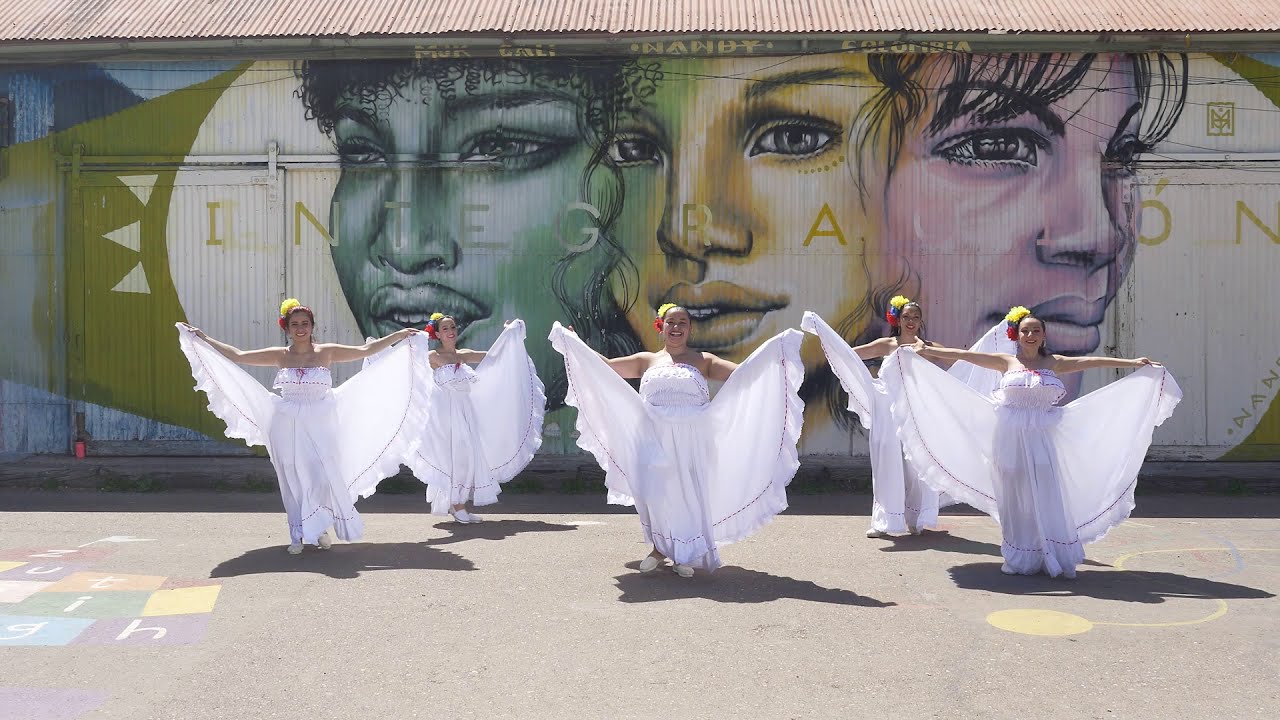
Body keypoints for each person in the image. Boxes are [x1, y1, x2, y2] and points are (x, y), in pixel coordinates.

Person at [882, 306, 1182, 578]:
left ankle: (1049, 552)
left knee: (1046, 492)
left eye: (1036, 330)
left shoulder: (1055, 362)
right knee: (1014, 496)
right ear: (1016, 334)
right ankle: (1019, 555)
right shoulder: (1005, 361)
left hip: (1042, 441)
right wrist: (919, 351)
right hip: (1009, 439)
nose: (1030, 335)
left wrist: (1131, 362)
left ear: (1043, 335)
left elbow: (1091, 362)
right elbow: (962, 355)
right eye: (1025, 330)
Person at [549, 303, 804, 577]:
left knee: (687, 496)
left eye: (682, 322)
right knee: (656, 494)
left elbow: (744, 373)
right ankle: (660, 549)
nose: (677, 327)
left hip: (692, 440)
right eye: (671, 322)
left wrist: (774, 353)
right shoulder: (647, 360)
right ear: (661, 327)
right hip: (652, 438)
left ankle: (685, 553)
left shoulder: (703, 360)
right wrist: (575, 344)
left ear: (689, 328)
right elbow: (609, 368)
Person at [177, 298, 428, 554]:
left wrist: (398, 335)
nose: (300, 328)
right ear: (286, 327)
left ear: (312, 326)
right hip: (286, 424)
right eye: (294, 324)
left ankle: (318, 528)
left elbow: (365, 352)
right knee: (293, 477)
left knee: (320, 476)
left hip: (321, 423)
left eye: (305, 323)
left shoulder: (326, 352)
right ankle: (296, 534)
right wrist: (203, 338)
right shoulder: (279, 356)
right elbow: (238, 356)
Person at [802, 297, 1014, 538]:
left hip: (918, 410)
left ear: (921, 321)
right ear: (898, 320)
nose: (911, 321)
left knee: (917, 463)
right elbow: (851, 356)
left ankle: (917, 517)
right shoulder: (887, 344)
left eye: (915, 317)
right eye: (906, 317)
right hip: (888, 407)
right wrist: (830, 344)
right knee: (887, 459)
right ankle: (885, 520)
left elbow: (963, 360)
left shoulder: (928, 346)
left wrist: (992, 341)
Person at [381, 313, 545, 522]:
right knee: (454, 459)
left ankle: (459, 505)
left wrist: (509, 334)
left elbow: (496, 356)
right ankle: (456, 506)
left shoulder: (463, 354)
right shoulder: (432, 356)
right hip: (444, 417)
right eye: (446, 329)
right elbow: (409, 369)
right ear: (438, 334)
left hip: (466, 414)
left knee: (467, 459)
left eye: (453, 327)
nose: (451, 331)